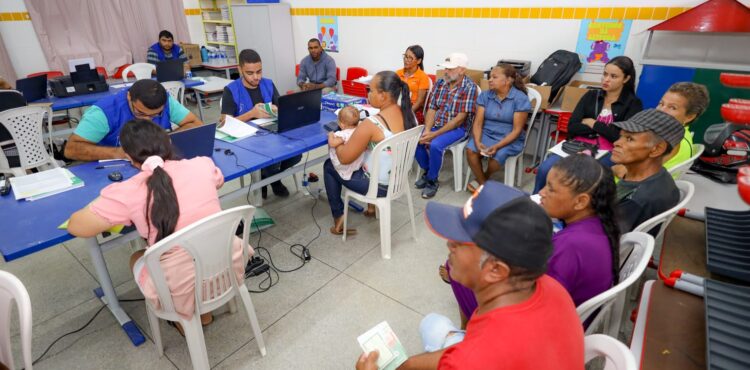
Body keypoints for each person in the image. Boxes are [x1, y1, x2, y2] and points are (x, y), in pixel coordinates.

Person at [356, 181, 584, 370]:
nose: (449, 245)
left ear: (496, 270)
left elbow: (472, 357)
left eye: (460, 242)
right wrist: (406, 365)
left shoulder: (473, 360)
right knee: (432, 323)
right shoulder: (548, 286)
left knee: (434, 326)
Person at [67, 119, 249, 332]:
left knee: (137, 257)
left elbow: (77, 226)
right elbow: (218, 182)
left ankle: (186, 318)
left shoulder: (127, 191)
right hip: (229, 265)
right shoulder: (202, 164)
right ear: (169, 142)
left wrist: (102, 199)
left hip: (182, 285)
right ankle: (204, 312)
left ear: (127, 156)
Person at [443, 155, 620, 327]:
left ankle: (467, 332)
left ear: (581, 201)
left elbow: (529, 298)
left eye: (550, 188)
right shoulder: (596, 225)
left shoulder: (571, 246)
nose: (542, 193)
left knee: (457, 267)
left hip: (542, 325)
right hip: (564, 316)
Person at [324, 71, 417, 234]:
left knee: (328, 166)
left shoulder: (371, 124)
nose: (368, 94)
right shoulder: (410, 116)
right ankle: (371, 209)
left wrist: (337, 141)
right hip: (398, 180)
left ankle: (338, 218)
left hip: (379, 187)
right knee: (368, 156)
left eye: (371, 90)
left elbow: (344, 158)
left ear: (383, 95)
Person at [533, 56, 643, 193]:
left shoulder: (633, 104)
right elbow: (572, 127)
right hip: (578, 145)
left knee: (582, 179)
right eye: (605, 74)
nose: (606, 79)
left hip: (608, 150)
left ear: (626, 79)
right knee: (545, 169)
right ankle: (535, 204)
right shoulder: (591, 96)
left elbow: (619, 137)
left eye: (613, 76)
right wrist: (604, 130)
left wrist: (593, 123)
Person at [64, 79, 202, 161]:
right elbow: (71, 149)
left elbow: (195, 124)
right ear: (129, 97)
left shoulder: (167, 101)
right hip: (116, 164)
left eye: (156, 115)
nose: (148, 120)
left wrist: (164, 140)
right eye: (140, 113)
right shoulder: (103, 112)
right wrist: (119, 153)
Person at [221, 48, 296, 198]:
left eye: (259, 71)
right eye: (250, 73)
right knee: (271, 159)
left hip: (270, 134)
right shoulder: (231, 90)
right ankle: (271, 178)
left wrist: (277, 109)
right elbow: (224, 124)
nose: (256, 77)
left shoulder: (268, 84)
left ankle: (269, 178)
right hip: (246, 141)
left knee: (296, 154)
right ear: (240, 69)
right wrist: (251, 114)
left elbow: (283, 107)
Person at [613, 82, 710, 179]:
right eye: (661, 103)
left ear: (690, 116)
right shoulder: (680, 135)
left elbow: (622, 171)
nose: (661, 110)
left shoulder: (672, 141)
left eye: (672, 107)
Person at [415, 52, 479, 199]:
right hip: (438, 124)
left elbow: (459, 119)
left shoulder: (470, 87)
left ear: (462, 70)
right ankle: (428, 171)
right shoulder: (440, 83)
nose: (445, 71)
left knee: (435, 145)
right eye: (445, 68)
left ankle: (432, 181)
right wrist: (428, 130)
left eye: (450, 69)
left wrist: (434, 135)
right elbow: (432, 108)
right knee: (415, 140)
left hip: (458, 129)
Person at [611, 109, 683, 232]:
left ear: (656, 149)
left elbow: (602, 239)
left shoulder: (636, 201)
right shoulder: (658, 175)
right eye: (620, 136)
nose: (616, 143)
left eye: (629, 139)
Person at [465, 64, 530, 192]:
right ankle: (484, 185)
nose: (490, 80)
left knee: (497, 156)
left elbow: (517, 130)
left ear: (508, 80)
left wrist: (497, 146)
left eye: (494, 77)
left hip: (510, 137)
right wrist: (477, 142)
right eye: (490, 77)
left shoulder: (520, 98)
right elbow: (478, 123)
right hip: (487, 133)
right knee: (470, 150)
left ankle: (485, 177)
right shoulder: (485, 96)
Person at [396, 45, 430, 123]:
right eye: (405, 56)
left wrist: (407, 113)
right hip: (397, 106)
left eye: (410, 58)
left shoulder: (423, 77)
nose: (406, 60)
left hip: (413, 109)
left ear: (418, 61)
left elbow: (419, 102)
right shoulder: (398, 73)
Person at [328, 106, 364, 180]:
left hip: (344, 165)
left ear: (342, 125)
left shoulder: (343, 135)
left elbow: (332, 143)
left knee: (328, 165)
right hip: (357, 162)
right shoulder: (359, 130)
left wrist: (330, 135)